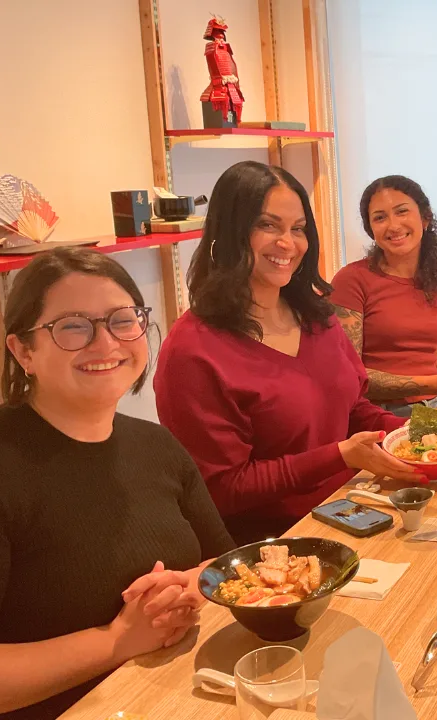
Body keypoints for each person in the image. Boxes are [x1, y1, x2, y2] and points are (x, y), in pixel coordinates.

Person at [0, 249, 234, 720]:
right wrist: (117, 640)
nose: (105, 343)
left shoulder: (156, 444)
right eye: (73, 326)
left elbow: (223, 562)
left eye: (123, 320)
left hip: (179, 697)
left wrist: (194, 586)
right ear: (23, 352)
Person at [156, 162, 423, 546]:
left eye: (298, 229)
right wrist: (340, 456)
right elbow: (221, 489)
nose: (288, 243)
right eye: (267, 225)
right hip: (277, 545)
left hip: (357, 508)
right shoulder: (193, 351)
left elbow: (352, 410)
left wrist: (420, 433)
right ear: (229, 233)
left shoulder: (316, 316)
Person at [331, 175, 437, 413]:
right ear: (371, 229)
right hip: (374, 414)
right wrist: (433, 383)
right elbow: (350, 375)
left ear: (425, 219)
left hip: (434, 407)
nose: (393, 226)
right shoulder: (351, 280)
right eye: (380, 218)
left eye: (402, 212)